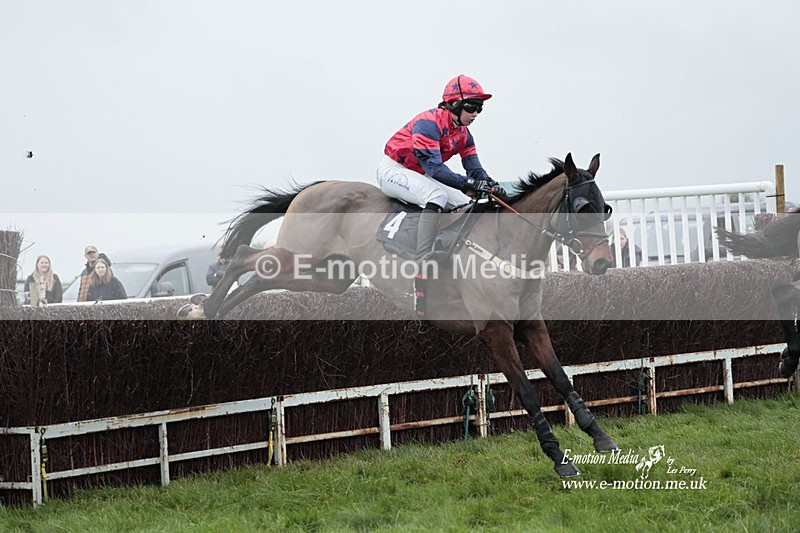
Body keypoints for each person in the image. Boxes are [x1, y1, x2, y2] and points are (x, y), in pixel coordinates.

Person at [377, 74, 505, 260]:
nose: (476, 113)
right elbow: (435, 169)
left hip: (420, 173)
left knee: (465, 203)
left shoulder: (464, 134)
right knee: (437, 195)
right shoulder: (428, 124)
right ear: (454, 104)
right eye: (471, 106)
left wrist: (491, 185)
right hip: (394, 169)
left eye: (480, 107)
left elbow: (475, 170)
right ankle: (423, 258)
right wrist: (469, 183)